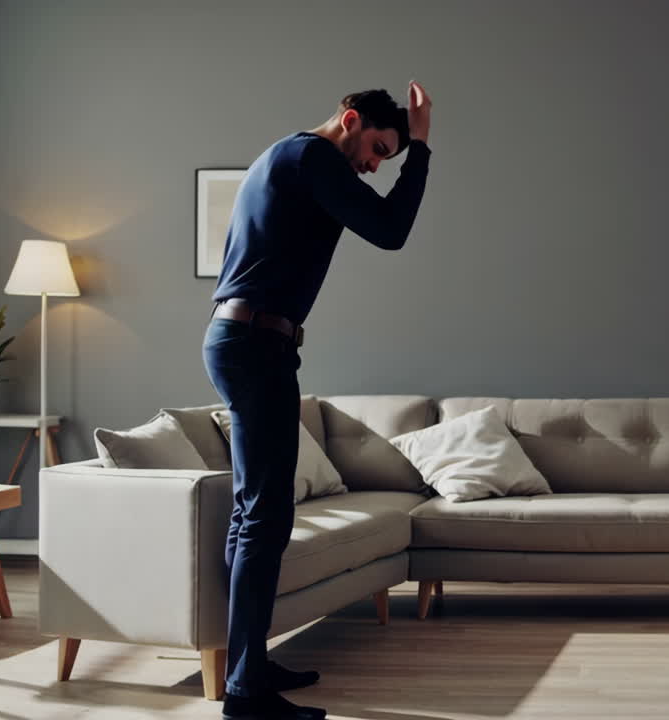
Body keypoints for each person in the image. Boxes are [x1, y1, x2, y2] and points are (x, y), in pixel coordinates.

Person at [204, 82, 432, 719]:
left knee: (259, 513)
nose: (373, 165)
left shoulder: (287, 159)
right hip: (254, 343)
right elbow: (390, 231)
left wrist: (406, 147)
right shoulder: (311, 158)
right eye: (378, 149)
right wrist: (423, 149)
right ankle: (246, 692)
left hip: (250, 340)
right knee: (265, 515)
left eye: (387, 157)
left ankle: (248, 666)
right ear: (350, 120)